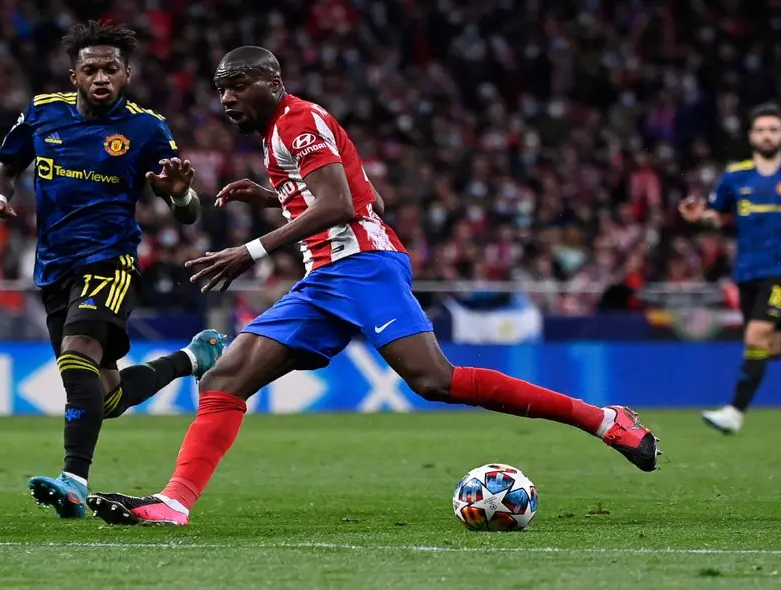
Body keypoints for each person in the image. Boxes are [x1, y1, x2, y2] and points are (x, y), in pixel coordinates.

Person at [86, 46, 660, 527]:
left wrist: (251, 249)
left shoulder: (298, 121)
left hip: (362, 266)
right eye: (221, 89)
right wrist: (277, 196)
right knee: (225, 377)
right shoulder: (279, 132)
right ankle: (174, 502)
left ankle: (604, 420)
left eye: (237, 86)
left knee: (434, 380)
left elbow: (342, 205)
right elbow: (370, 198)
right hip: (325, 278)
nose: (227, 98)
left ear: (273, 83)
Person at [0, 21, 228, 518]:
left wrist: (180, 195)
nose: (100, 77)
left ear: (127, 74)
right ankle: (192, 359)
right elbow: (3, 169)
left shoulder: (146, 128)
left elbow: (188, 211)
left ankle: (73, 482)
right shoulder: (42, 113)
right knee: (106, 397)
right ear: (74, 75)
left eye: (111, 69)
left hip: (109, 261)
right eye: (90, 69)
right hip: (53, 268)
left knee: (77, 354)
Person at [679, 103, 781, 434]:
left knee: (755, 336)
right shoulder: (735, 176)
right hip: (746, 271)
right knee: (766, 345)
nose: (767, 135)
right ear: (751, 136)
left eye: (773, 130)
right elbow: (716, 215)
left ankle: (734, 412)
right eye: (761, 130)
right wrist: (699, 217)